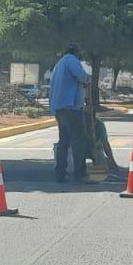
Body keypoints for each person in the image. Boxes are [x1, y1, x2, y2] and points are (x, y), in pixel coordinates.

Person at [49, 44, 91, 182]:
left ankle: (60, 173)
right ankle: (80, 174)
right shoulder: (71, 60)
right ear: (76, 54)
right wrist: (88, 80)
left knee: (64, 141)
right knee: (79, 142)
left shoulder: (59, 64)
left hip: (59, 109)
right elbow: (82, 77)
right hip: (71, 109)